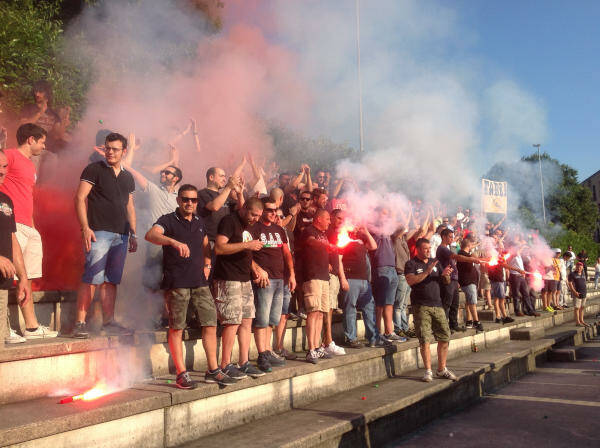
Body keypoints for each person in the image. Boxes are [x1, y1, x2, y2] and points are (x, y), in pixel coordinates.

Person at [145, 184, 234, 388]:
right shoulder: (168, 220)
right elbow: (151, 235)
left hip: (200, 282)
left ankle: (213, 370)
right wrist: (173, 242)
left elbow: (205, 245)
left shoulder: (199, 221)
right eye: (186, 199)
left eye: (193, 200)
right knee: (177, 328)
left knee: (210, 323)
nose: (190, 203)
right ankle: (181, 373)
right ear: (178, 200)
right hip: (178, 283)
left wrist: (207, 263)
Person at [71, 132, 137, 338]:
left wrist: (133, 233)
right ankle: (80, 323)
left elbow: (130, 206)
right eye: (108, 148)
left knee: (111, 280)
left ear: (123, 152)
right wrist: (85, 228)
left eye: (115, 149)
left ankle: (109, 322)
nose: (110, 152)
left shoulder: (127, 177)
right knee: (92, 277)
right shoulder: (94, 169)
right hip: (98, 231)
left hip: (121, 234)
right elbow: (79, 198)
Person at [0, 124, 57, 339]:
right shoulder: (12, 155)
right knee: (7, 275)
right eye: (42, 141)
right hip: (12, 224)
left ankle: (31, 326)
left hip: (28, 226)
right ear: (31, 139)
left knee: (28, 276)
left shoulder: (31, 166)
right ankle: (4, 328)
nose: (44, 146)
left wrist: (33, 226)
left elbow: (26, 196)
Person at [214, 197, 265, 378]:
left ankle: (243, 362)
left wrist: (256, 269)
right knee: (232, 321)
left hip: (245, 278)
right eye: (253, 214)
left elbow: (247, 254)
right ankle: (225, 364)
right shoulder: (229, 221)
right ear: (244, 209)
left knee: (246, 320)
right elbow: (219, 248)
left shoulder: (252, 226)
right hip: (228, 278)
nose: (255, 219)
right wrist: (247, 245)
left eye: (258, 216)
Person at [249, 197, 296, 372]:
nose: (273, 213)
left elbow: (287, 253)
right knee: (261, 319)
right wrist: (256, 269)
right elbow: (248, 253)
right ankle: (262, 354)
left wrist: (291, 275)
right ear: (262, 210)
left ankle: (267, 350)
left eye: (275, 210)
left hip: (280, 279)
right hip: (265, 279)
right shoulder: (254, 228)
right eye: (269, 210)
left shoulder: (279, 229)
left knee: (272, 319)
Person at [405, 238, 457, 383]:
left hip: (437, 304)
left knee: (445, 336)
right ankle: (428, 370)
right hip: (421, 305)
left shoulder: (435, 262)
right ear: (418, 249)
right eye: (425, 248)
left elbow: (445, 282)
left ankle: (441, 369)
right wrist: (427, 272)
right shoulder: (411, 264)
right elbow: (410, 281)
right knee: (425, 339)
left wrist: (446, 275)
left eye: (429, 248)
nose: (429, 250)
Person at [0, 151, 33, 344]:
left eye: (4, 166)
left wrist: (23, 278)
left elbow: (12, 240)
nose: (1, 171)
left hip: (2, 287)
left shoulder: (6, 201)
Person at [338, 225, 389, 348]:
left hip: (364, 281)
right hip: (350, 279)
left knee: (369, 308)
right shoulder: (343, 240)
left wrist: (366, 232)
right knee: (350, 309)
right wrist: (343, 279)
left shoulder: (361, 241)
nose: (356, 229)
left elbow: (373, 246)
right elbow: (338, 260)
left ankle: (373, 338)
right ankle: (351, 338)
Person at [299, 209, 337, 363]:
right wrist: (326, 246)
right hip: (312, 276)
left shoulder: (324, 234)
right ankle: (311, 349)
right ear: (319, 219)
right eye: (327, 218)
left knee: (321, 312)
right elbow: (310, 241)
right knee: (313, 312)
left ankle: (318, 347)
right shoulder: (309, 230)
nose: (329, 221)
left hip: (324, 277)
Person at [370, 208, 406, 342]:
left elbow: (401, 228)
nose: (386, 216)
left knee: (389, 302)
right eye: (383, 213)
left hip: (392, 268)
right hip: (380, 267)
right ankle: (377, 333)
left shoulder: (389, 229)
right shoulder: (372, 227)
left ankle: (389, 332)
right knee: (379, 303)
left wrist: (396, 210)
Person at [197, 167, 242, 247]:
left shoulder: (223, 196)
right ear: (211, 177)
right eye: (221, 176)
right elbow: (214, 207)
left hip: (225, 240)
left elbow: (241, 209)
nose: (224, 179)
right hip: (209, 241)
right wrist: (228, 187)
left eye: (225, 177)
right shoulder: (202, 193)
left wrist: (240, 194)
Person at [456, 237, 484, 332]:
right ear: (468, 246)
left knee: (469, 301)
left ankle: (469, 321)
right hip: (468, 281)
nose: (472, 247)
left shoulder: (467, 254)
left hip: (470, 281)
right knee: (472, 302)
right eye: (471, 245)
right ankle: (477, 322)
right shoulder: (462, 255)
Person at [392, 225, 415, 338]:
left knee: (404, 305)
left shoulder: (403, 240)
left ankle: (405, 328)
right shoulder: (395, 240)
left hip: (407, 275)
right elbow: (402, 228)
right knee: (398, 305)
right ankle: (398, 328)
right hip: (400, 274)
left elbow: (415, 229)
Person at [508, 245, 537, 317]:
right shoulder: (512, 255)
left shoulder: (519, 255)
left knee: (526, 294)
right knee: (516, 295)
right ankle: (517, 311)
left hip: (521, 276)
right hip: (515, 276)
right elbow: (508, 265)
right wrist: (523, 246)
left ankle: (530, 310)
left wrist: (524, 246)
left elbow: (520, 251)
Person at [568, 262, 588, 327]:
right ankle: (577, 322)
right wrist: (574, 292)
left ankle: (582, 320)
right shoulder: (572, 274)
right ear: (576, 267)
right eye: (578, 266)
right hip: (577, 293)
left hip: (584, 292)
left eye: (580, 267)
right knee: (577, 308)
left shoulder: (583, 274)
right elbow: (570, 284)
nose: (579, 268)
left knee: (582, 307)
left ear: (582, 267)